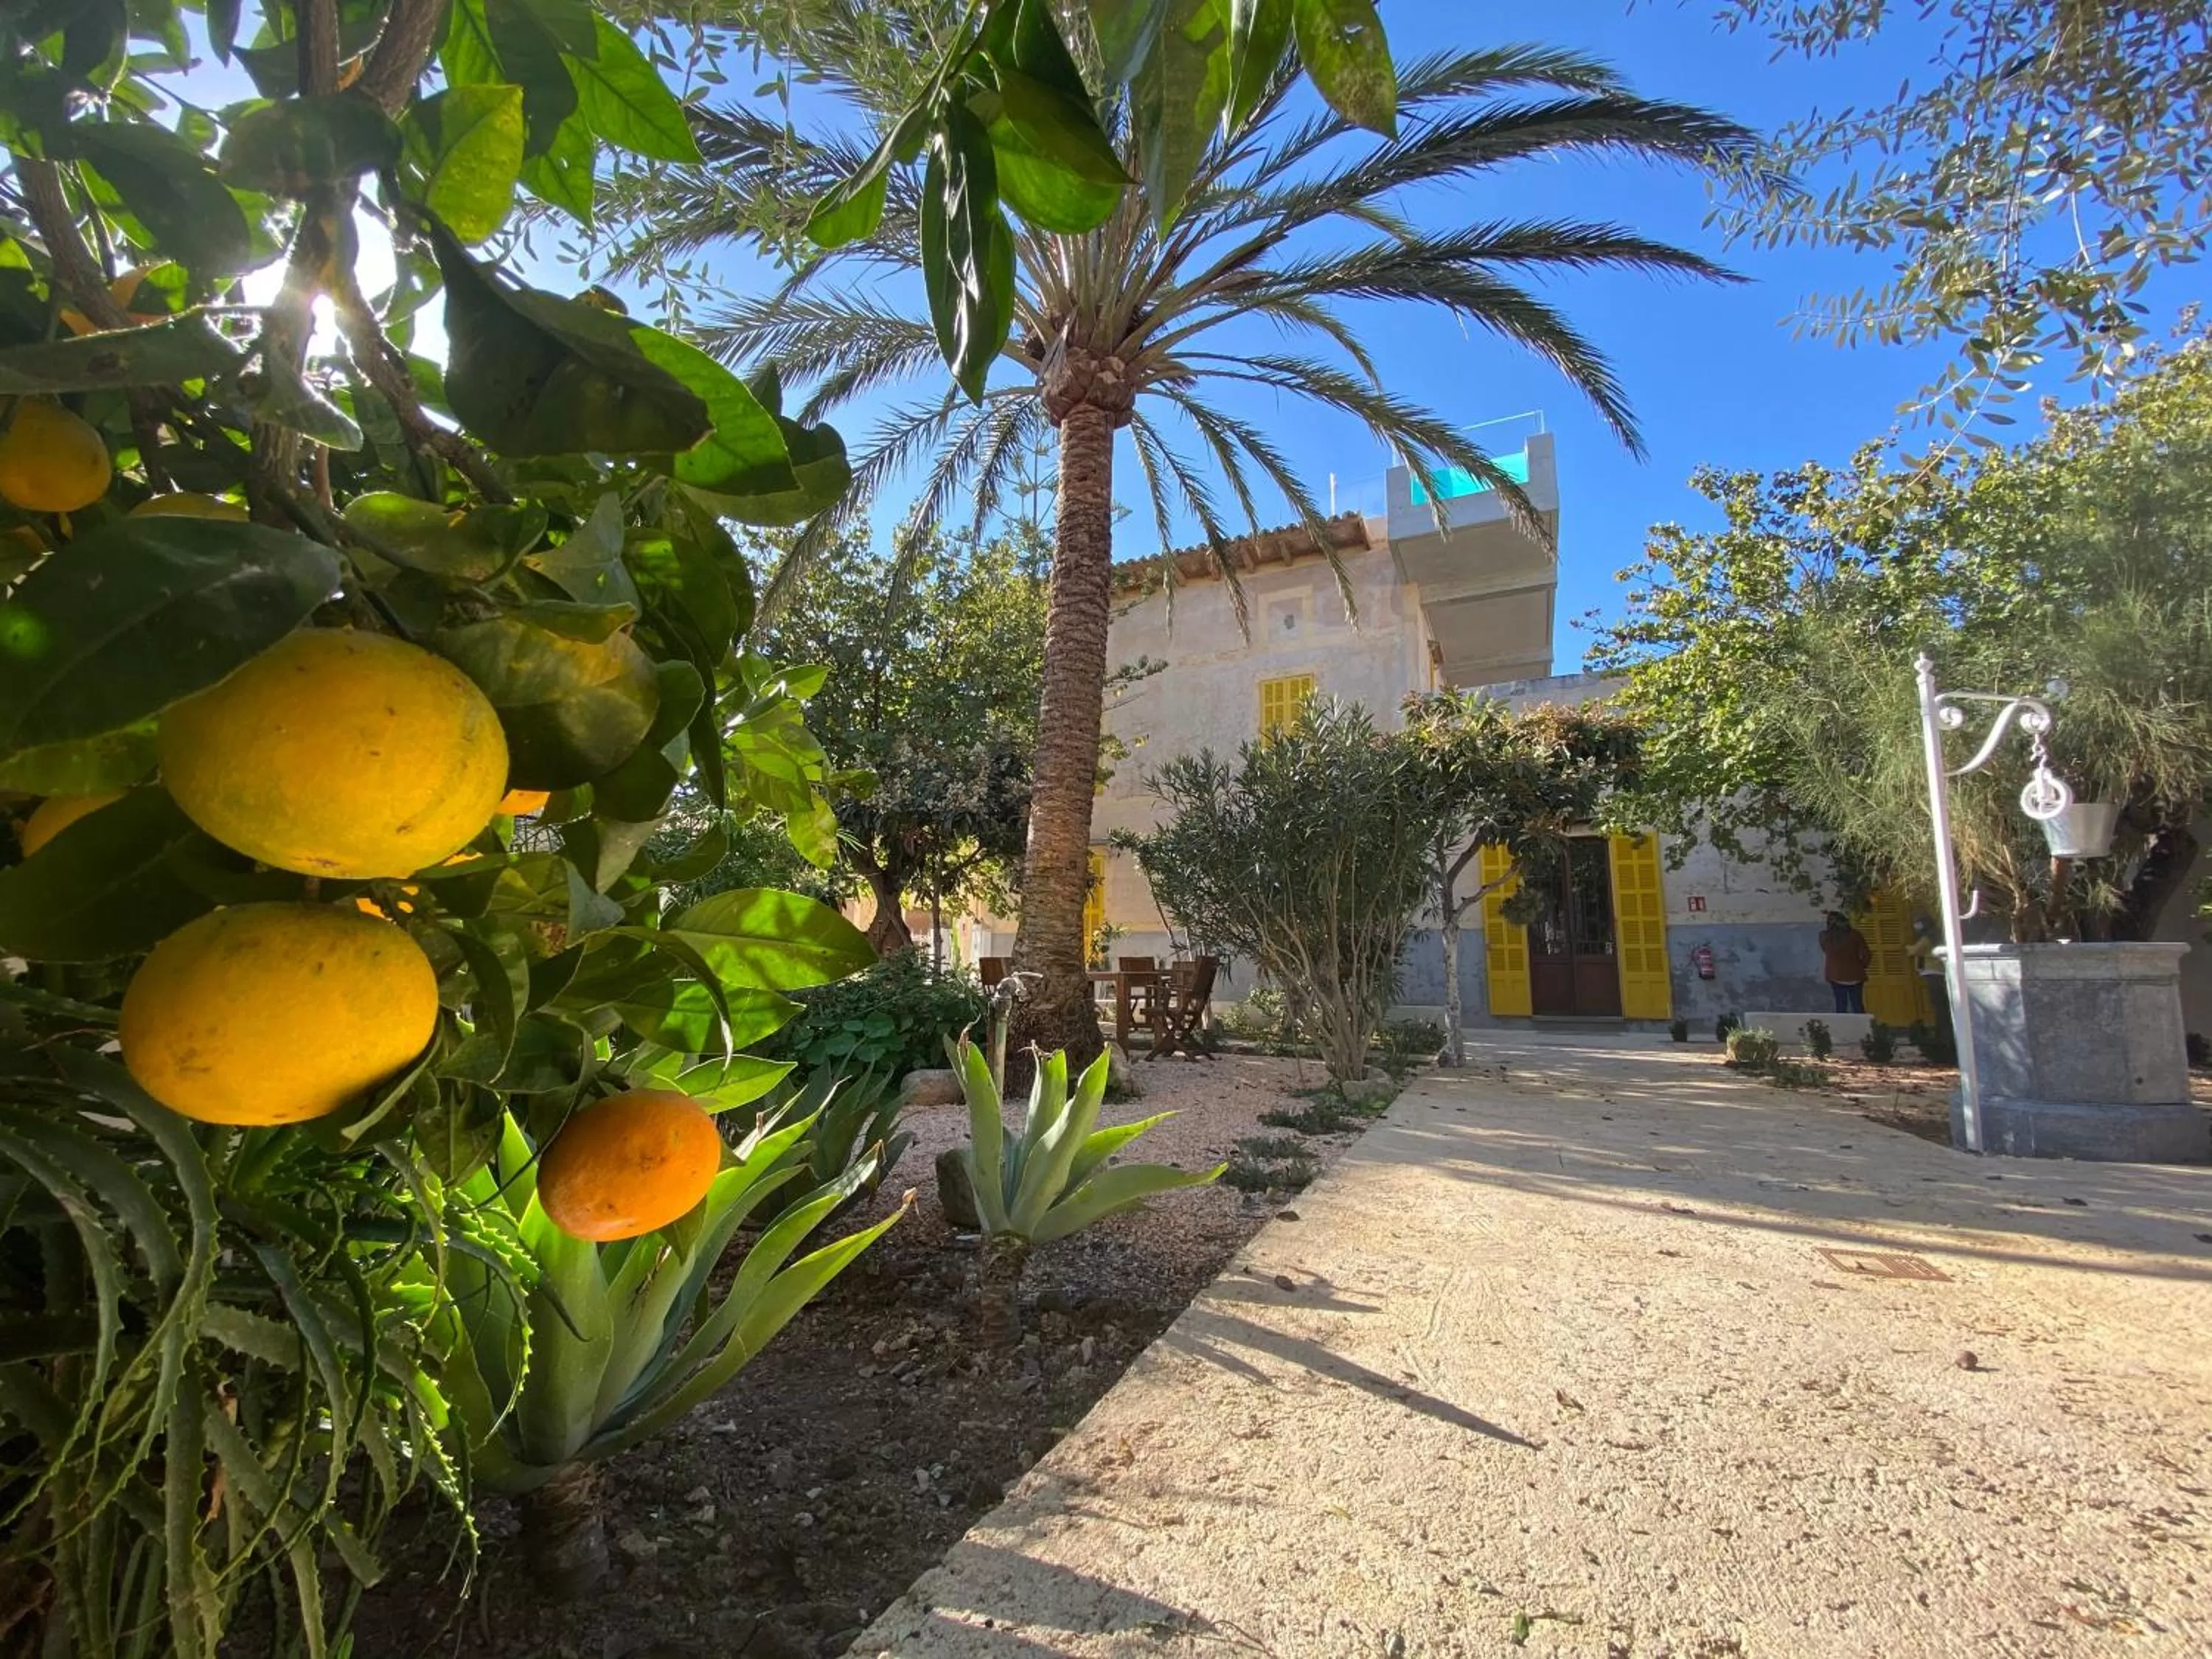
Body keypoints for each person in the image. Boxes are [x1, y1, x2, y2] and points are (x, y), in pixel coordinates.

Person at [1818, 911, 1872, 1014]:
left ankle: (1841, 1028)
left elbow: (1825, 950)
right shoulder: (1855, 935)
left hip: (1836, 975)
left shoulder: (1824, 936)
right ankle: (1864, 1028)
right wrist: (1862, 967)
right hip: (1855, 975)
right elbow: (1867, 955)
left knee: (1841, 1006)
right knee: (1858, 1006)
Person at [1907, 914, 1951, 1029]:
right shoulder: (1936, 935)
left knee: (1938, 1003)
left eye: (1918, 923)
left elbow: (1915, 951)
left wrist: (1906, 947)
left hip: (1932, 972)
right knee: (1940, 1003)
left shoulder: (1927, 938)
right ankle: (1943, 1029)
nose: (1915, 926)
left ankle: (1942, 1030)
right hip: (1938, 971)